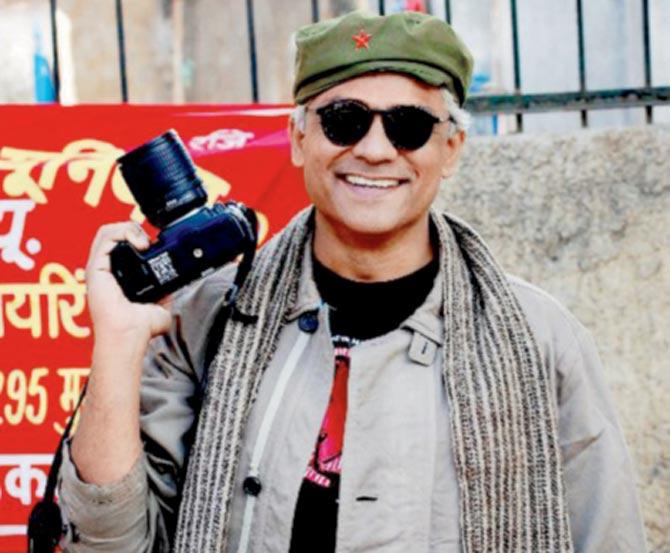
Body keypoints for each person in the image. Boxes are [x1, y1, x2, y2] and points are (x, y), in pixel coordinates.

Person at [56, 10, 647, 553]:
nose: (374, 149)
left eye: (409, 127)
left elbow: (608, 537)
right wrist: (117, 343)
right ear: (298, 138)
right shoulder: (208, 318)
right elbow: (108, 543)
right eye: (344, 121)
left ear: (451, 148)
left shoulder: (539, 341)